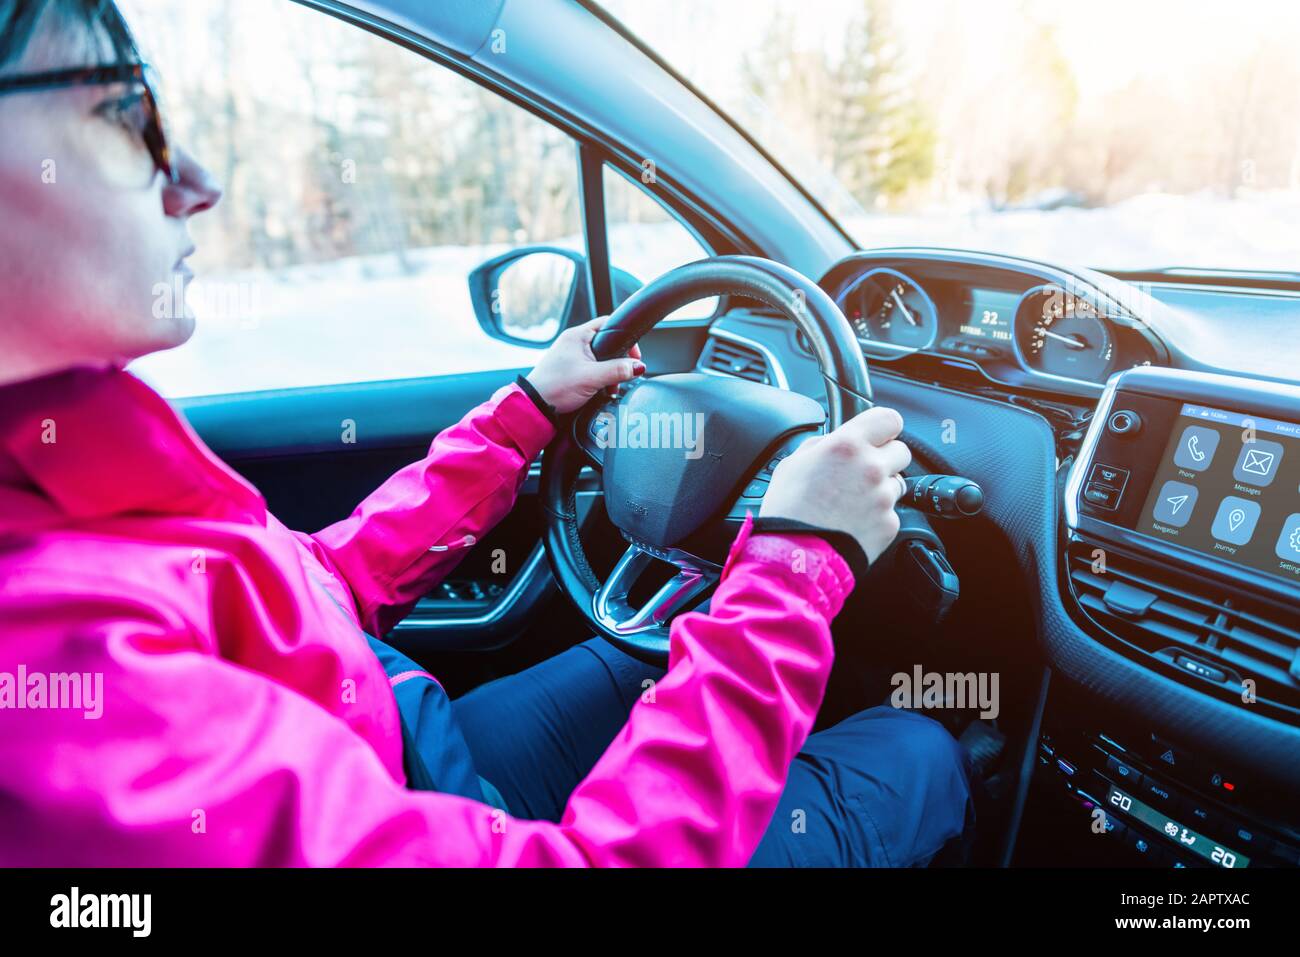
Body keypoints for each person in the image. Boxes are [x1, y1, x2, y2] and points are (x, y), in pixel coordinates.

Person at [0, 0, 971, 866]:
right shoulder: (57, 693)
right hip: (429, 801)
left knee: (662, 649)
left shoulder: (69, 471)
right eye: (126, 116)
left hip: (407, 762)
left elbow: (316, 591)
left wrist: (526, 417)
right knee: (924, 748)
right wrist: (796, 566)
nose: (196, 179)